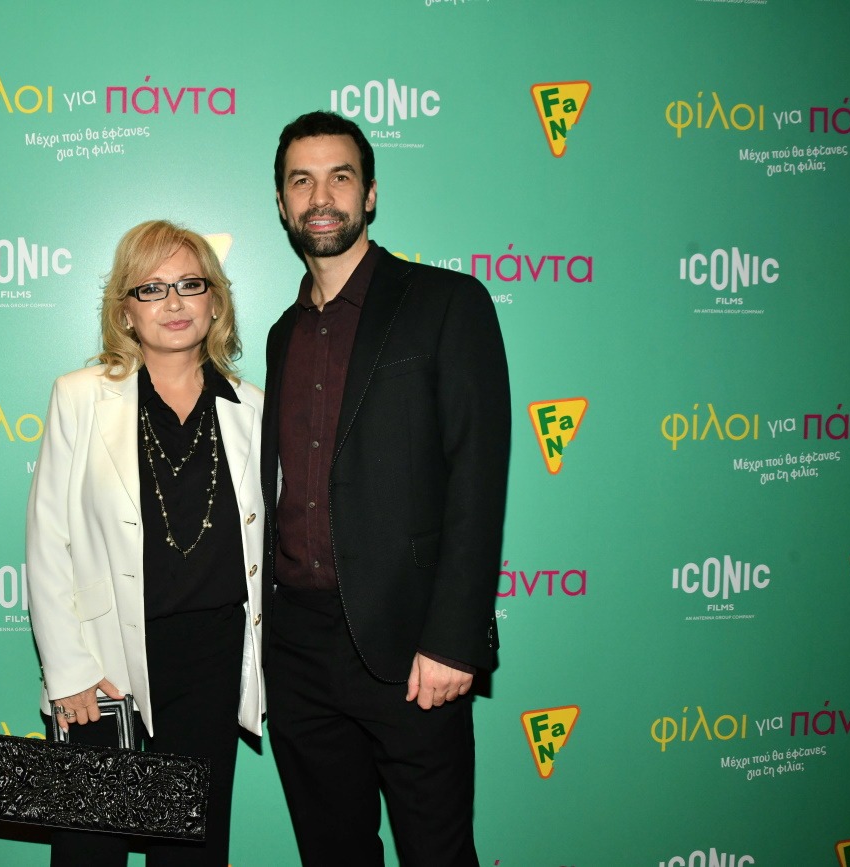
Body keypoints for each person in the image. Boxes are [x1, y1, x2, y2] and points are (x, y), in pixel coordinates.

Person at [260, 111, 511, 867]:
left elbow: (478, 478)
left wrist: (453, 639)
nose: (321, 197)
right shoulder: (281, 334)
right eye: (301, 181)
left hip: (410, 648)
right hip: (297, 650)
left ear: (370, 194)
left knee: (438, 854)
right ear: (282, 203)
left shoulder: (446, 302)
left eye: (340, 177)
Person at [25, 220, 266, 867]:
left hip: (212, 663)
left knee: (189, 855)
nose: (174, 302)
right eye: (151, 288)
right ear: (125, 310)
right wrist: (69, 671)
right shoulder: (81, 397)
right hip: (104, 669)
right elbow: (48, 538)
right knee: (89, 854)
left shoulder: (252, 408)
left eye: (190, 284)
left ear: (215, 300)